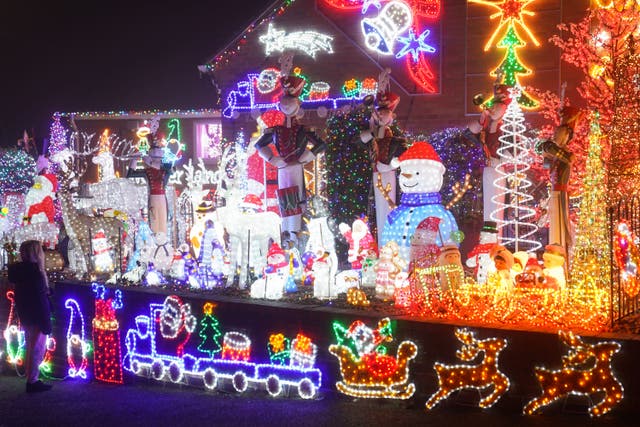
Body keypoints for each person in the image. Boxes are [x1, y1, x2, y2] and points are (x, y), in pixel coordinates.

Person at [7, 240, 53, 392]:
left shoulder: (21, 272)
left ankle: (31, 378)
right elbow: (39, 298)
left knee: (31, 346)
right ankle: (32, 381)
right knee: (37, 347)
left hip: (27, 314)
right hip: (37, 315)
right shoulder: (35, 273)